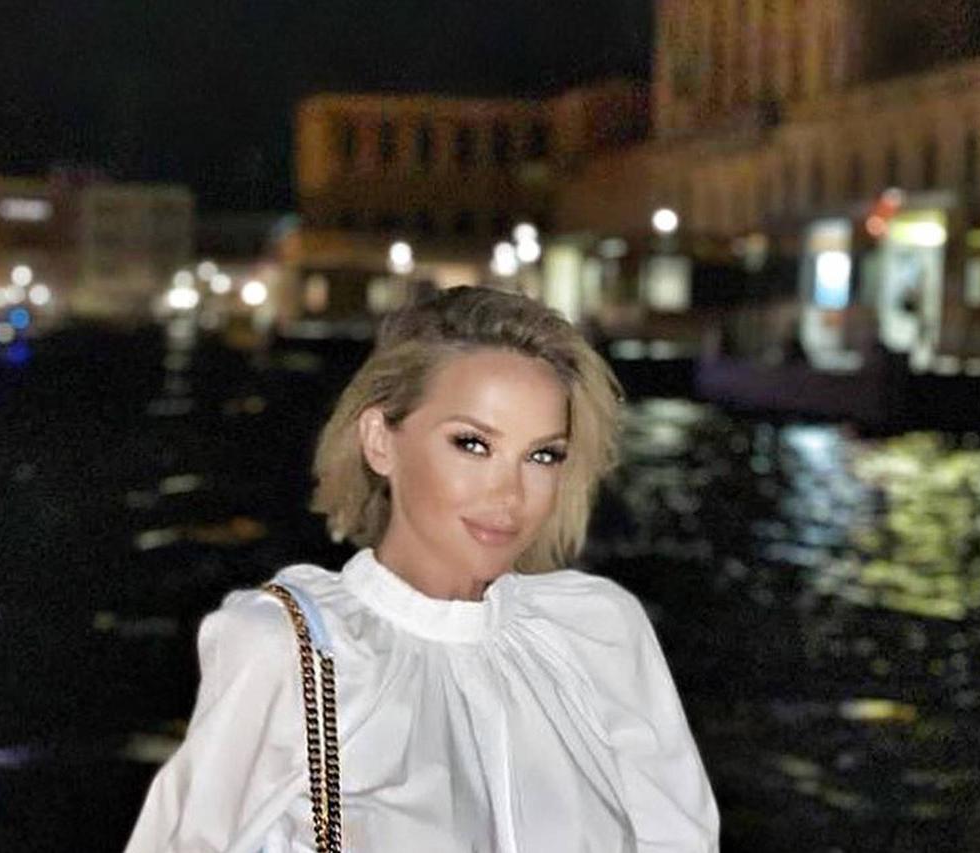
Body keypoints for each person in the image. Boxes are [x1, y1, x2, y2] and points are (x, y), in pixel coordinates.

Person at [124, 285, 720, 852]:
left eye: (542, 455)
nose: (510, 494)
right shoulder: (294, 653)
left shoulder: (599, 633)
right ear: (380, 441)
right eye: (473, 444)